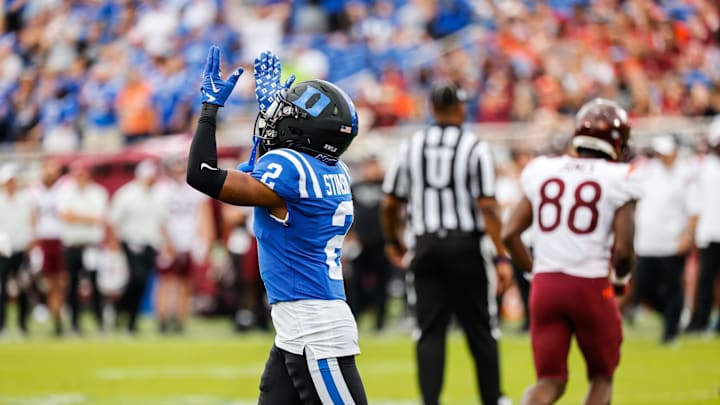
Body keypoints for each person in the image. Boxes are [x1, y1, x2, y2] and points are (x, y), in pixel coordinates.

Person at [186, 46, 367, 404]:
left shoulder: (290, 168)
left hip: (314, 328)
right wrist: (271, 112)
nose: (274, 120)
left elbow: (203, 175)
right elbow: (273, 174)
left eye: (285, 116)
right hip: (300, 323)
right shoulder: (334, 169)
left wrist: (209, 111)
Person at [502, 98, 641, 405]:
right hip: (589, 284)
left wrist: (533, 273)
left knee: (549, 382)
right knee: (602, 377)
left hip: (546, 286)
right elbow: (623, 250)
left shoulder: (543, 168)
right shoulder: (620, 177)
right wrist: (620, 281)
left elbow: (510, 233)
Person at [381, 82, 513, 405]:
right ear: (460, 108)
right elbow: (487, 206)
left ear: (432, 108)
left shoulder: (412, 145)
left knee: (429, 331)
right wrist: (501, 254)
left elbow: (389, 203)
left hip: (425, 245)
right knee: (481, 328)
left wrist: (394, 242)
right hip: (465, 245)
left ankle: (429, 401)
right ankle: (492, 398)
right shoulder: (474, 147)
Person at [627, 133, 696, 344]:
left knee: (674, 288)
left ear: (676, 152)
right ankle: (670, 316)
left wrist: (687, 236)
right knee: (643, 287)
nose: (662, 156)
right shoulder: (647, 171)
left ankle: (670, 333)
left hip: (671, 243)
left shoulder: (686, 175)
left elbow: (694, 210)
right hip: (646, 243)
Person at [154, 156, 214, 334]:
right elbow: (158, 219)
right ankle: (163, 319)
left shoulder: (194, 190)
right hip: (169, 242)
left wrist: (205, 240)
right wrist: (166, 241)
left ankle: (180, 320)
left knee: (185, 283)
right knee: (166, 281)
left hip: (189, 241)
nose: (178, 173)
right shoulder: (162, 190)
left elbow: (204, 216)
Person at [108, 159, 167, 335]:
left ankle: (130, 320)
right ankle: (120, 309)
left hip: (150, 244)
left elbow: (161, 222)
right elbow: (113, 220)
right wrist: (114, 242)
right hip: (131, 241)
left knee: (142, 283)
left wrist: (166, 243)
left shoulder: (158, 195)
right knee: (138, 278)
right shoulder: (127, 194)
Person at [57, 161, 108, 335]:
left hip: (91, 245)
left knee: (95, 285)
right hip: (72, 245)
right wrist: (87, 217)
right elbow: (66, 215)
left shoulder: (98, 192)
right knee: (72, 285)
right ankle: (74, 324)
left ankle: (100, 322)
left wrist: (78, 216)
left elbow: (99, 218)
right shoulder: (66, 191)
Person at [347, 155, 393, 332]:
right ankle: (355, 318)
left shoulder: (386, 186)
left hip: (382, 242)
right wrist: (350, 235)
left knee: (383, 282)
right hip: (361, 243)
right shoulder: (355, 187)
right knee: (356, 283)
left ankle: (380, 321)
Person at [685, 118, 720, 334]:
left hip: (709, 230)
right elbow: (695, 202)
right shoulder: (704, 167)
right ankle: (699, 320)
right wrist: (693, 231)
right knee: (705, 280)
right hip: (709, 232)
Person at [28, 158, 67, 336]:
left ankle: (58, 316)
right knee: (45, 281)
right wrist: (32, 239)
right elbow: (32, 217)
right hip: (42, 240)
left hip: (61, 239)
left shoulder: (64, 189)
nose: (50, 174)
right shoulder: (34, 191)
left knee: (62, 281)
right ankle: (49, 312)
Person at [0, 163, 33, 337]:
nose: (11, 184)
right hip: (2, 252)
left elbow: (31, 222)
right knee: (2, 290)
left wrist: (31, 242)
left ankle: (22, 325)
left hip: (21, 249)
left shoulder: (25, 200)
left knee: (23, 288)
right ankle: (2, 326)